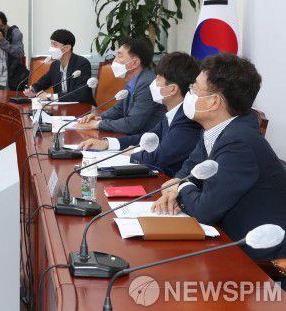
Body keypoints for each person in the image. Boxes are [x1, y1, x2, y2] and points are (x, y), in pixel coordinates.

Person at [152, 53, 286, 263]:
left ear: (214, 101)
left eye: (194, 88)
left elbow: (204, 210)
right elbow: (189, 170)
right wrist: (177, 186)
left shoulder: (239, 142)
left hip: (255, 257)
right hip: (224, 239)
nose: (189, 93)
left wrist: (180, 187)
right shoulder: (214, 129)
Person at [78, 52, 202, 177]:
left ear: (173, 89)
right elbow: (147, 137)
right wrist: (107, 144)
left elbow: (157, 158)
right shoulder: (172, 113)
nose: (153, 83)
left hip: (168, 182)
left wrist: (132, 152)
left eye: (158, 79)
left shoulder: (187, 120)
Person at [76, 37, 165, 134]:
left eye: (119, 56)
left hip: (147, 139)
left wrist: (98, 124)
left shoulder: (147, 83)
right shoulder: (133, 80)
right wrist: (99, 117)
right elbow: (119, 109)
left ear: (135, 62)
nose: (114, 60)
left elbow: (132, 124)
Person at [23, 29, 94, 105]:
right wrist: (32, 91)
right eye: (51, 44)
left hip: (83, 108)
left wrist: (50, 96)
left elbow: (81, 94)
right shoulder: (55, 65)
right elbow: (42, 83)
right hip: (62, 108)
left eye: (55, 44)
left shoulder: (82, 63)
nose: (51, 48)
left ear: (67, 48)